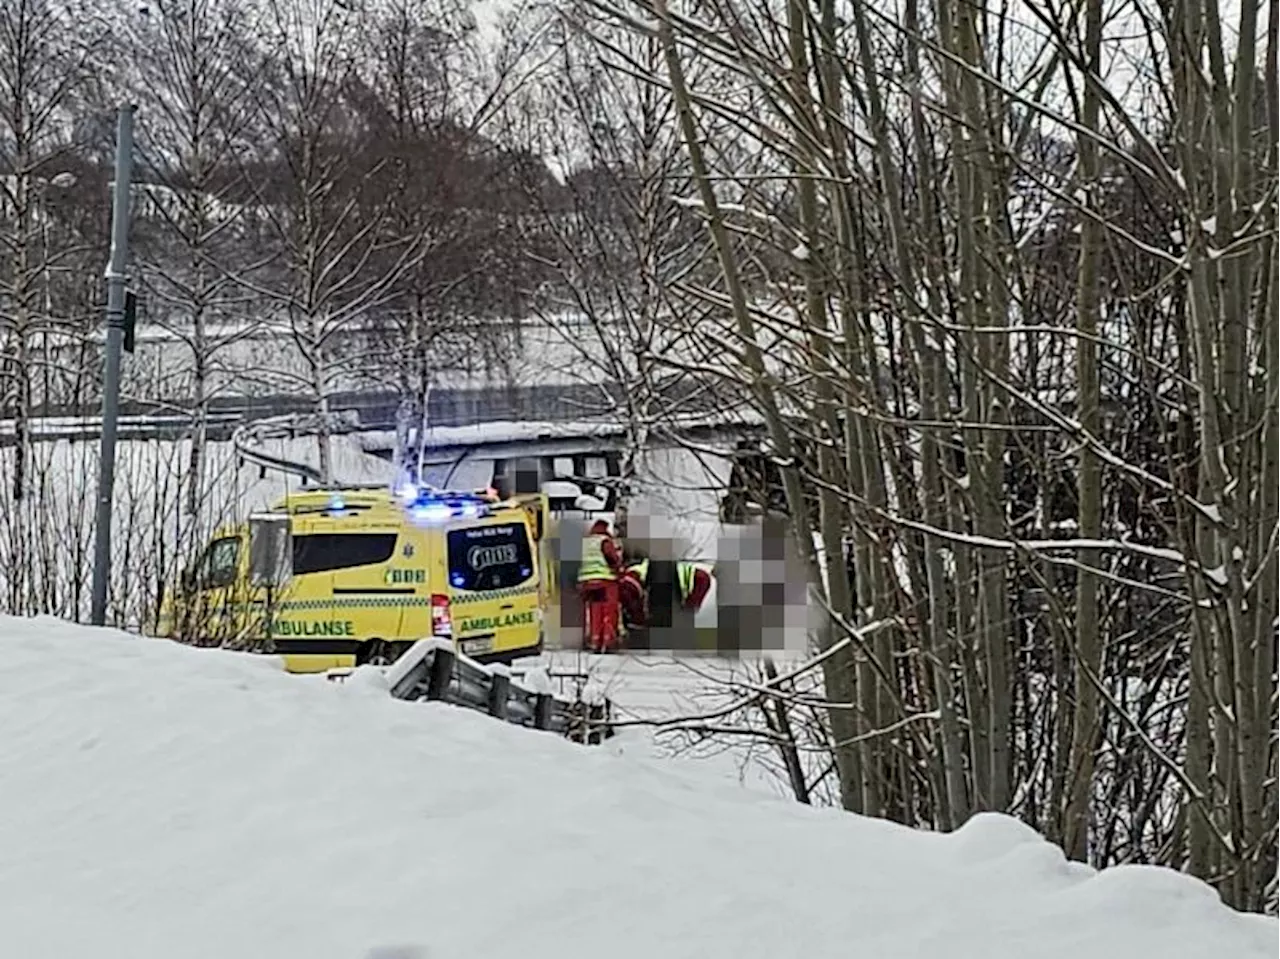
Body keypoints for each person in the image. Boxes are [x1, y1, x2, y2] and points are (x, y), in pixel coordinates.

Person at [577, 519, 624, 653]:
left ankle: (594, 641)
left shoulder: (585, 543)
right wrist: (618, 569)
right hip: (605, 581)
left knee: (594, 612)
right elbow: (612, 559)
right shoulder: (604, 541)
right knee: (608, 611)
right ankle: (608, 641)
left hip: (588, 583)